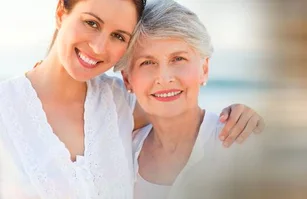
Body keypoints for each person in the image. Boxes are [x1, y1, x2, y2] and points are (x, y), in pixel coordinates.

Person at [0, 0, 264, 198]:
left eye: (118, 36)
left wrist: (240, 114)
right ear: (61, 12)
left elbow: (179, 105)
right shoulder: (6, 107)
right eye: (91, 23)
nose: (99, 47)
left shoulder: (118, 102)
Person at [115, 1, 261, 198]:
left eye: (178, 59)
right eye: (147, 62)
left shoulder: (241, 144)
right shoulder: (122, 150)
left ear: (204, 69)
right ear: (127, 79)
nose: (165, 78)